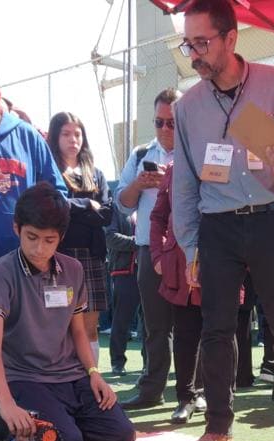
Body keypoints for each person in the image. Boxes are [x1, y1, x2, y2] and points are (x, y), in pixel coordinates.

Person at [171, 0, 274, 441]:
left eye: (202, 43)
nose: (193, 54)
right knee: (216, 329)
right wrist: (191, 245)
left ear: (231, 39)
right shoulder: (188, 107)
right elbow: (184, 186)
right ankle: (218, 427)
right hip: (217, 229)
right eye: (187, 43)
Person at [0, 182, 135, 441]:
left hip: (71, 378)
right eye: (32, 237)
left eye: (49, 240)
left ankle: (54, 424)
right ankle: (6, 420)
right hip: (25, 379)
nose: (40, 248)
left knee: (122, 434)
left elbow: (78, 332)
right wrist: (5, 402)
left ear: (61, 237)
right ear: (17, 229)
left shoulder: (73, 269)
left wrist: (94, 374)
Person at [0, 55, 67, 411]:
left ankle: (38, 400)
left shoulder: (26, 136)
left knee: (31, 330)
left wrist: (45, 235)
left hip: (30, 255)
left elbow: (58, 193)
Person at [115, 89, 180, 410]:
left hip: (186, 252)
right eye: (159, 122)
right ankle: (152, 389)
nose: (166, 129)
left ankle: (189, 392)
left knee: (189, 325)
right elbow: (122, 204)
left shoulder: (196, 152)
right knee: (155, 326)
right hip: (147, 251)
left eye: (172, 122)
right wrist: (138, 185)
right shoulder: (141, 154)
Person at [47, 112, 112, 365]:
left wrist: (75, 209)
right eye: (66, 133)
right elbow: (56, 205)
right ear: (55, 136)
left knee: (89, 327)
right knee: (60, 326)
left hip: (92, 256)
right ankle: (62, 380)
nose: (73, 139)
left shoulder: (96, 173)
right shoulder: (49, 169)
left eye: (77, 133)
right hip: (60, 255)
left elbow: (107, 214)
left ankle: (91, 382)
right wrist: (87, 204)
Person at [150, 162, 206, 423]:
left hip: (221, 259)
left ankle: (215, 396)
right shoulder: (175, 168)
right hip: (180, 265)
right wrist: (157, 255)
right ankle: (186, 397)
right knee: (185, 333)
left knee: (222, 333)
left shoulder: (226, 156)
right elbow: (158, 216)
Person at [105, 207, 139, 376]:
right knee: (122, 320)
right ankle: (117, 362)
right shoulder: (117, 209)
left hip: (151, 270)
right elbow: (110, 238)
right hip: (125, 272)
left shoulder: (154, 203)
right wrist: (139, 241)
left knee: (152, 323)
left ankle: (150, 364)